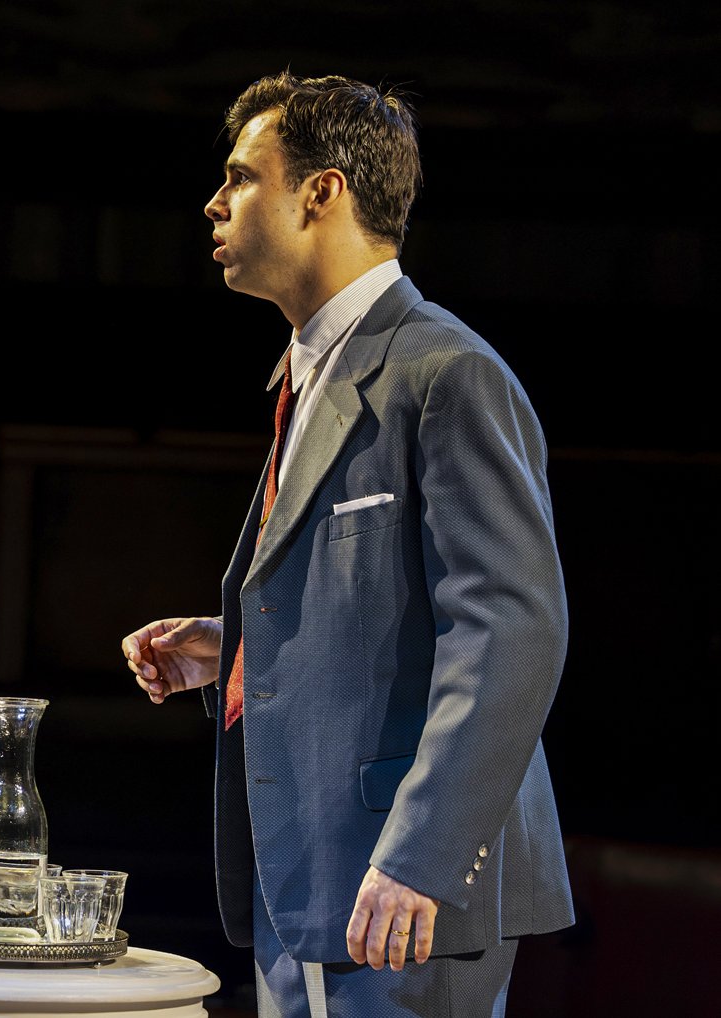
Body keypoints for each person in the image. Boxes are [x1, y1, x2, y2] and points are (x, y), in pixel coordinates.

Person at [120, 72, 572, 1017]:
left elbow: (512, 631)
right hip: (311, 875)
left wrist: (421, 858)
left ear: (320, 193)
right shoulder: (310, 369)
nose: (216, 201)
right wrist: (237, 648)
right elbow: (371, 594)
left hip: (402, 888)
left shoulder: (447, 372)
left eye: (243, 177)